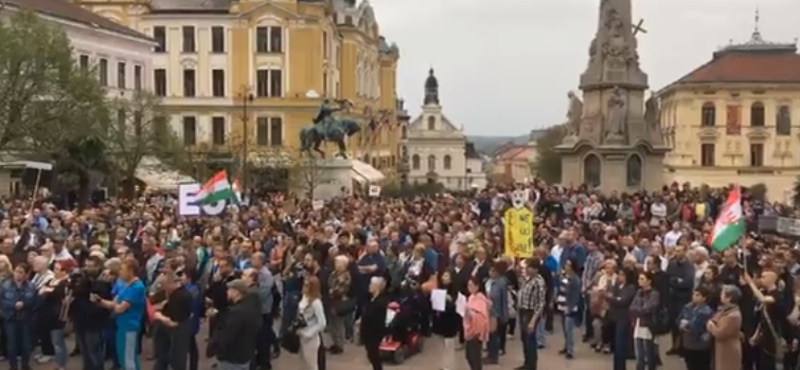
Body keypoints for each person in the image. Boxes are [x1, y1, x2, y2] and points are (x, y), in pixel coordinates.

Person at [93, 258, 146, 370]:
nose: (119, 272)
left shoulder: (137, 287)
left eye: (122, 269)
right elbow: (113, 304)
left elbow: (120, 308)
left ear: (130, 271)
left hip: (129, 327)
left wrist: (115, 306)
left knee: (128, 360)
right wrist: (99, 301)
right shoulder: (124, 285)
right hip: (121, 326)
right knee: (123, 358)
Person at [209, 279, 261, 370]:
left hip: (232, 358)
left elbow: (227, 336)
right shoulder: (251, 306)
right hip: (245, 355)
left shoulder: (236, 312)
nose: (227, 292)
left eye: (229, 290)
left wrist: (217, 350)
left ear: (237, 292)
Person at [152, 272, 194, 370]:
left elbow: (174, 323)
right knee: (163, 359)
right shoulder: (178, 294)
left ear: (170, 283)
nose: (164, 289)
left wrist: (159, 316)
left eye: (164, 286)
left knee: (177, 361)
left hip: (177, 334)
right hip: (170, 335)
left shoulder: (179, 297)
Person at [37, 260, 71, 370]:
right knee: (53, 340)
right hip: (47, 315)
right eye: (54, 268)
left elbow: (56, 294)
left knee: (58, 342)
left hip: (58, 316)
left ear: (64, 271)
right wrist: (46, 291)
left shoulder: (66, 283)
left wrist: (47, 291)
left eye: (58, 269)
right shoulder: (52, 280)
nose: (55, 271)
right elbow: (41, 291)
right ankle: (57, 362)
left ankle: (62, 364)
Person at [2, 263, 36, 370]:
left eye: (21, 272)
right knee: (11, 345)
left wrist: (24, 303)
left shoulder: (31, 286)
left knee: (26, 345)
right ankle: (13, 366)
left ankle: (25, 365)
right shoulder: (5, 285)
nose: (17, 274)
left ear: (26, 275)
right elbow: (1, 301)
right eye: (16, 271)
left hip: (25, 318)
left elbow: (33, 301)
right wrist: (13, 305)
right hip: (10, 318)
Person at [516, 258, 546, 370]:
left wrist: (533, 321)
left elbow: (541, 303)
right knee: (524, 339)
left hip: (530, 312)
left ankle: (532, 366)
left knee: (530, 340)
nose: (527, 269)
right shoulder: (526, 279)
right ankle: (527, 362)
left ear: (535, 269)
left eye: (529, 267)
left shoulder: (539, 282)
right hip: (522, 310)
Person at [630, 272, 661, 370]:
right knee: (639, 354)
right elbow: (632, 307)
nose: (639, 281)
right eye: (639, 279)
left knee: (649, 352)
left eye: (642, 279)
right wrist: (639, 310)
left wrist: (639, 309)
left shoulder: (655, 294)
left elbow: (649, 308)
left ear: (649, 281)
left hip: (649, 325)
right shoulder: (639, 292)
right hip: (638, 324)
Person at [707, 284, 743, 370]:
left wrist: (712, 327)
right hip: (721, 348)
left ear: (729, 298)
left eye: (722, 294)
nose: (720, 296)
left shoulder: (733, 316)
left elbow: (721, 333)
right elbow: (713, 319)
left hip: (729, 349)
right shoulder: (723, 309)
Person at [678, 287, 713, 370]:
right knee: (690, 366)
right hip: (688, 344)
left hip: (699, 346)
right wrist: (683, 323)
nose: (694, 296)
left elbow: (696, 327)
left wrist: (686, 323)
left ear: (704, 298)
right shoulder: (688, 307)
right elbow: (678, 320)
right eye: (693, 294)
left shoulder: (705, 311)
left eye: (697, 295)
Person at [433, 270, 461, 370]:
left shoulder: (454, 291)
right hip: (440, 321)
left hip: (450, 322)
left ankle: (449, 366)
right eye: (443, 275)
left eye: (446, 276)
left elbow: (457, 307)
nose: (444, 277)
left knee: (449, 346)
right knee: (440, 346)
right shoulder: (439, 289)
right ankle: (442, 365)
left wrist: (450, 300)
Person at [297, 275, 326, 370]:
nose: (304, 287)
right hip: (301, 334)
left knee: (312, 365)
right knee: (304, 363)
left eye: (307, 285)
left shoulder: (316, 302)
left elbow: (322, 322)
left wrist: (310, 333)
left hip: (311, 338)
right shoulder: (304, 297)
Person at [359, 276, 388, 370]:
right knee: (371, 355)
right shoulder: (372, 299)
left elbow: (372, 316)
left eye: (372, 284)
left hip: (374, 333)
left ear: (377, 287)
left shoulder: (380, 302)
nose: (369, 286)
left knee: (374, 355)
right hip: (369, 333)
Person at [464, 276, 490, 370]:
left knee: (475, 357)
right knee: (469, 355)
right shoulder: (471, 297)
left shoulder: (480, 299)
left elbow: (481, 317)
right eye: (468, 285)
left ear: (477, 286)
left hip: (476, 331)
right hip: (469, 329)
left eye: (471, 286)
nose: (469, 288)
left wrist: (471, 313)